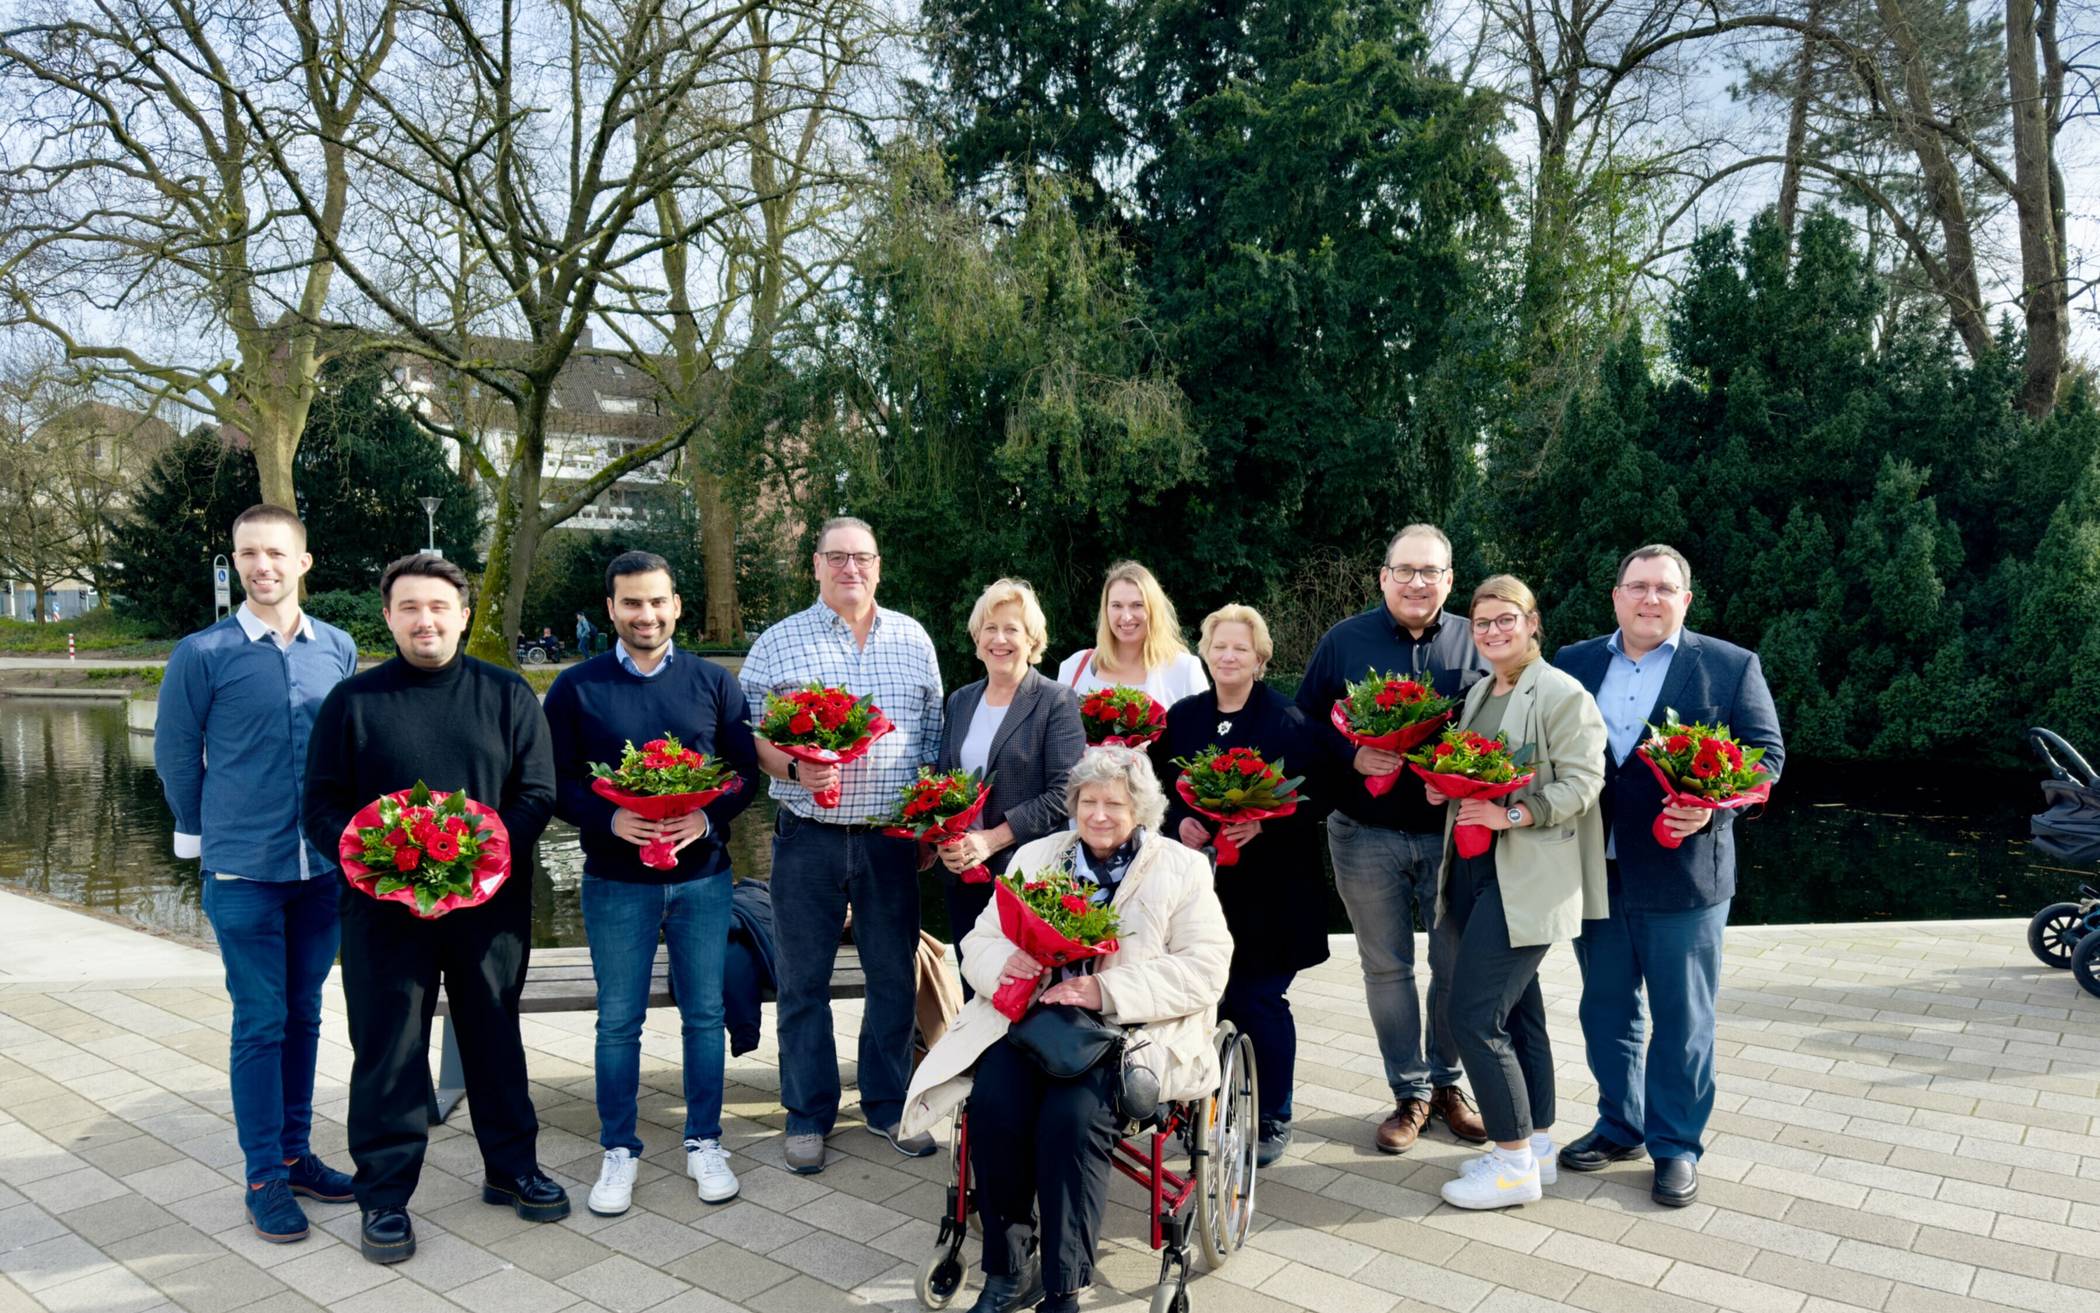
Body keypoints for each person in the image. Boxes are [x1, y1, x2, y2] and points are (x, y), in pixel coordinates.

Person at [900, 748, 1232, 1313]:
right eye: (1087, 802)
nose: (1098, 815)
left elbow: (1206, 967)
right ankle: (1008, 1269)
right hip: (1029, 1020)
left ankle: (1063, 1285)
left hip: (1122, 1033)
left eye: (1114, 804)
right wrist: (1007, 965)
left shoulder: (1182, 867)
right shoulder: (1036, 856)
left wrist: (1104, 991)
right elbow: (980, 941)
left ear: (1141, 810)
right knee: (995, 1108)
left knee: (1071, 1120)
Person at [303, 554, 563, 1264]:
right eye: (410, 607)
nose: (426, 620)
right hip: (384, 913)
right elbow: (320, 807)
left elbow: (538, 793)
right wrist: (369, 857)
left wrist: (474, 860)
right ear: (388, 616)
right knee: (388, 1052)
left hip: (489, 912)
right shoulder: (352, 704)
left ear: (463, 614)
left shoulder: (508, 695)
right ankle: (383, 1195)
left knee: (495, 1041)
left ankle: (511, 1168)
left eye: (439, 606)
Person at [1552, 544, 1784, 1207]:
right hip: (1595, 869)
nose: (1649, 598)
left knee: (1683, 1021)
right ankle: (1619, 1125)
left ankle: (1675, 1144)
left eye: (1664, 587)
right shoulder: (1574, 662)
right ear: (1616, 595)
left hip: (1685, 876)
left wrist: (1707, 812)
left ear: (1686, 598)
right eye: (1637, 586)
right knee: (1605, 1009)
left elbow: (1765, 758)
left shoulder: (1731, 665)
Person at [155, 505, 360, 1244]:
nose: (261, 565)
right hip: (243, 869)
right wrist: (199, 836)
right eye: (248, 554)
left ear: (304, 561)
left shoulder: (336, 646)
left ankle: (298, 1153)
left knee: (305, 1013)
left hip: (321, 872)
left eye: (275, 552)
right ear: (236, 562)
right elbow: (177, 754)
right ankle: (263, 1177)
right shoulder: (201, 653)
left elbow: (345, 752)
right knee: (261, 1019)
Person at [543, 552, 760, 1214]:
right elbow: (552, 781)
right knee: (618, 1020)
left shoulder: (713, 683)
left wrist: (703, 812)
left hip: (702, 878)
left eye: (657, 601)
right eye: (632, 603)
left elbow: (744, 774)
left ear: (676, 605)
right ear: (609, 608)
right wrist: (610, 814)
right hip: (616, 880)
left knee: (704, 1013)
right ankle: (618, 1149)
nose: (646, 614)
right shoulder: (575, 688)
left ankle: (704, 1141)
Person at [737, 515, 945, 1174]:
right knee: (803, 981)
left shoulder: (912, 638)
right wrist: (796, 768)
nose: (850, 568)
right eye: (837, 557)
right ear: (817, 565)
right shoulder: (779, 641)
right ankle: (808, 1111)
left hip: (890, 839)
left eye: (862, 557)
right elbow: (752, 736)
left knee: (892, 976)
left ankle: (886, 1102)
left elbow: (932, 734)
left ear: (878, 565)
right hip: (808, 838)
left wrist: (928, 821)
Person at [1293, 524, 1490, 1151]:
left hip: (1452, 834)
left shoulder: (1478, 640)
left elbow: (1503, 731)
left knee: (1455, 966)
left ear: (1450, 579)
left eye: (1430, 572)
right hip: (1364, 834)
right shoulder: (1344, 641)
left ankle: (1449, 1085)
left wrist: (1459, 771)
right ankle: (1410, 1093)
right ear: (1383, 576)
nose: (1417, 583)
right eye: (1404, 571)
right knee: (1386, 969)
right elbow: (1303, 726)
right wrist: (1350, 756)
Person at [1427, 576, 1607, 1209]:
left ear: (1534, 624)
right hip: (1475, 874)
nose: (1495, 632)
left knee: (1473, 1016)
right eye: (1483, 624)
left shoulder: (1562, 693)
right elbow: (1471, 772)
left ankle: (1510, 1167)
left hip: (1527, 877)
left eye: (1508, 620)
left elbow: (1585, 783)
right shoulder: (1481, 692)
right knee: (1520, 1013)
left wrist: (1513, 815)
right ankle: (1537, 1148)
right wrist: (1445, 789)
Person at [1159, 604, 1327, 1167]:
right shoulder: (1182, 718)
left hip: (1272, 893)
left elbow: (1319, 799)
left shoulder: (1290, 721)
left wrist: (1267, 821)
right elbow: (1160, 792)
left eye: (1241, 648)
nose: (1228, 656)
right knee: (1203, 1002)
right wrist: (1175, 822)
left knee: (1257, 1001)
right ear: (1204, 653)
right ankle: (1203, 1108)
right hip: (1201, 893)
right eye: (1218, 646)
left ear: (1260, 659)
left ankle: (1273, 1114)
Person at [932, 578, 1087, 973]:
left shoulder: (1056, 700)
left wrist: (991, 840)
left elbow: (1064, 793)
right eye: (990, 628)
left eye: (1011, 629)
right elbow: (944, 784)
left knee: (1025, 991)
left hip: (1027, 876)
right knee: (974, 982)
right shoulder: (961, 700)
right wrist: (946, 841)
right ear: (977, 637)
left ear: (1032, 640)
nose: (999, 639)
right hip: (962, 874)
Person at [1054, 561, 1209, 705]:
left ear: (1154, 609)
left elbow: (1206, 731)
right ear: (1106, 609)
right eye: (1117, 605)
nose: (1126, 617)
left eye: (1137, 605)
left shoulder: (1184, 669)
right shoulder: (1074, 667)